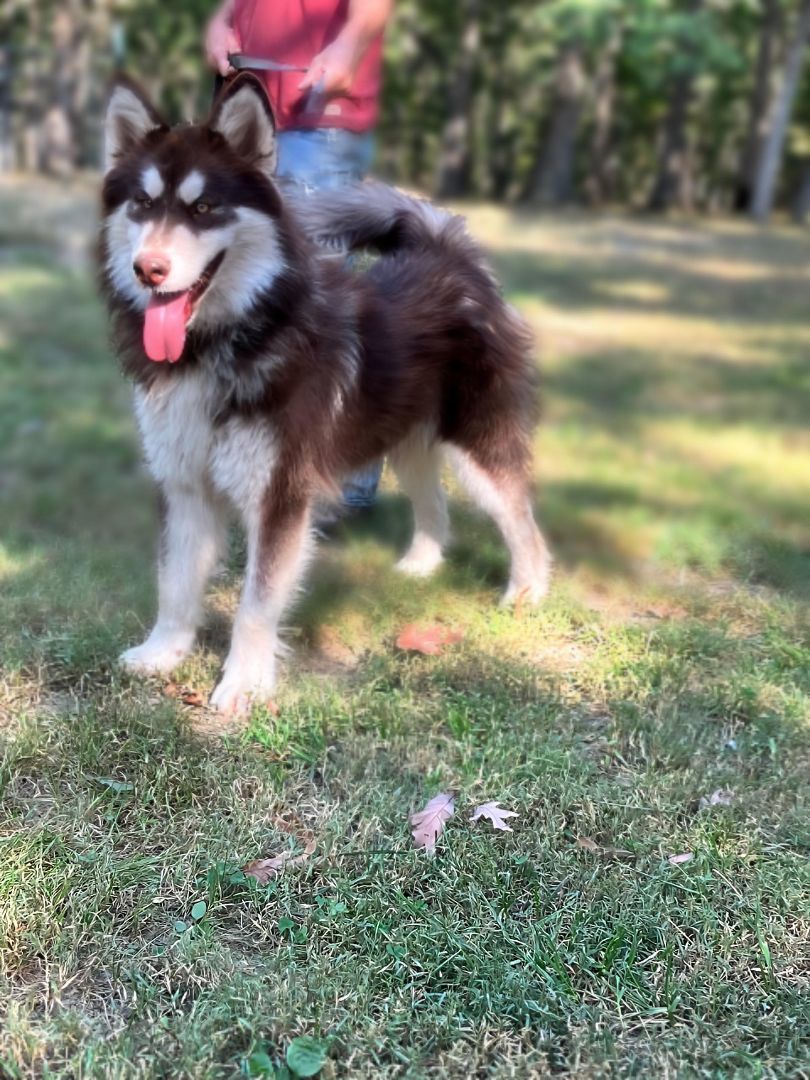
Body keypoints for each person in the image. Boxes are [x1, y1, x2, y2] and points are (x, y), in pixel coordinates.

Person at [205, 0, 393, 511]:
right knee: (251, 301)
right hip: (247, 111)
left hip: (318, 117)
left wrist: (350, 44)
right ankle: (269, 469)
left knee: (322, 306)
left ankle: (344, 486)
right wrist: (223, 21)